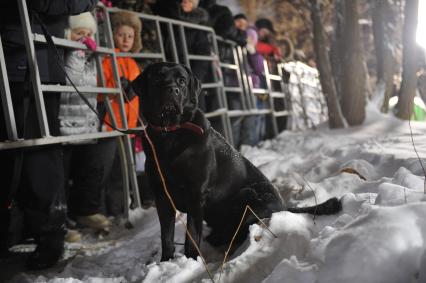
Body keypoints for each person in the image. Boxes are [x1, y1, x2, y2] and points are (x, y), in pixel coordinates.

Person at [0, 0, 99, 270]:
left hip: (36, 63)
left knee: (38, 156)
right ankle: (13, 232)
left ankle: (49, 234)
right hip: (10, 58)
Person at [59, 12, 112, 240]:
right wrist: (78, 52)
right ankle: (60, 221)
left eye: (89, 34)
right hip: (67, 125)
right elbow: (69, 77)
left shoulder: (90, 57)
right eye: (79, 33)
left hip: (87, 125)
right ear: (68, 33)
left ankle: (85, 211)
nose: (85, 38)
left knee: (91, 171)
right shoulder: (65, 54)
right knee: (62, 176)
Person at [100, 10, 142, 216]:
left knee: (124, 169)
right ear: (112, 34)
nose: (126, 40)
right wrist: (117, 86)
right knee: (106, 170)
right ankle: (104, 211)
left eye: (130, 36)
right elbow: (101, 90)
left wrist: (134, 88)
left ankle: (120, 209)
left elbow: (138, 91)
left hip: (129, 125)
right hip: (111, 124)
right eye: (121, 34)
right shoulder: (108, 59)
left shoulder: (132, 62)